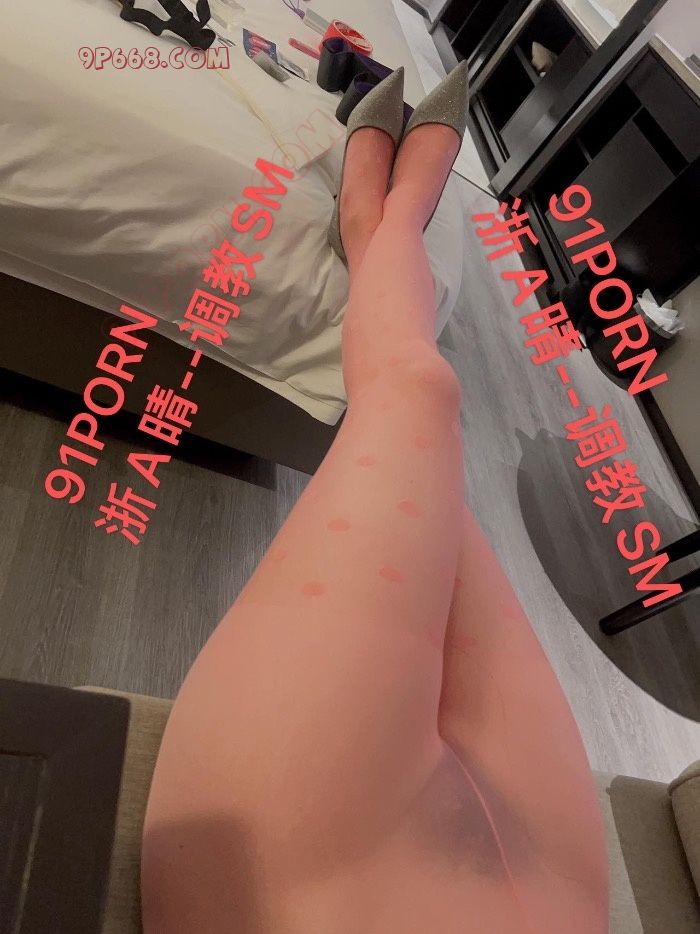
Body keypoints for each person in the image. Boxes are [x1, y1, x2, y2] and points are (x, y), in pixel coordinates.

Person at [142, 63, 609, 933]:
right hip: (564, 902)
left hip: (305, 885)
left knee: (416, 399)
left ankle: (376, 224)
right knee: (433, 471)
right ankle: (380, 233)